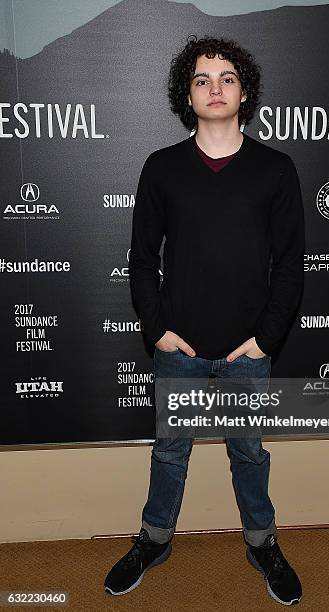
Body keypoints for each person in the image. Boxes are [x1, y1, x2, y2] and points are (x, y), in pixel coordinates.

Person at [104, 34, 305, 607]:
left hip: (248, 352)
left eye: (227, 78)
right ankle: (155, 538)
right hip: (179, 350)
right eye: (201, 79)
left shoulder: (276, 170)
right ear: (186, 96)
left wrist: (266, 340)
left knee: (248, 451)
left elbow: (290, 264)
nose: (215, 88)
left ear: (244, 91)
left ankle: (262, 542)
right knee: (169, 451)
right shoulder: (162, 168)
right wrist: (158, 329)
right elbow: (142, 260)